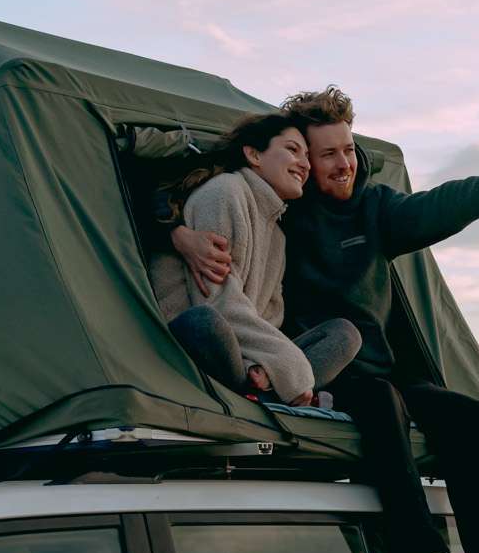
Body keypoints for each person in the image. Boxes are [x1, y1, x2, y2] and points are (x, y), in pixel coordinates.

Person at [175, 85, 479, 553]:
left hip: (380, 367)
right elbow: (185, 185)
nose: (343, 164)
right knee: (382, 403)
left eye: (349, 151)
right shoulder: (284, 207)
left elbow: (431, 209)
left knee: (469, 415)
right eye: (327, 154)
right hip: (323, 371)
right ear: (305, 160)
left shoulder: (374, 209)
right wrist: (176, 231)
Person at [151, 111, 360, 408]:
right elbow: (215, 302)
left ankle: (261, 390)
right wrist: (291, 367)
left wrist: (266, 364)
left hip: (244, 354)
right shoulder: (224, 192)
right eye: (291, 150)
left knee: (344, 334)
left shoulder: (278, 233)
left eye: (306, 155)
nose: (304, 163)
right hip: (195, 342)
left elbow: (270, 317)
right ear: (254, 155)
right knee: (205, 322)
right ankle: (271, 393)